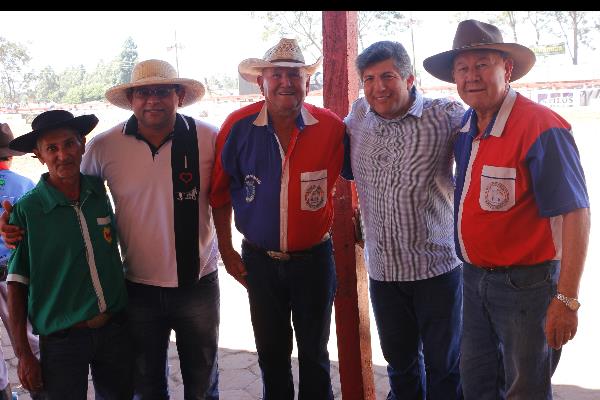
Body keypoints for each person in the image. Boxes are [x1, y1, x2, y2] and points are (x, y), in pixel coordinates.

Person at [1, 59, 220, 399]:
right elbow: (60, 185)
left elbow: (227, 195)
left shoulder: (208, 137)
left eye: (162, 91)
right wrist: (14, 224)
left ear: (178, 95)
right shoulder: (105, 146)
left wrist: (232, 251)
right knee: (147, 386)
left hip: (195, 285)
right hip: (136, 291)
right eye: (144, 93)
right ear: (131, 100)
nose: (153, 100)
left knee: (202, 381)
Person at [423, 19, 591, 399]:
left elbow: (576, 213)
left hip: (527, 287)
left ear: (507, 69)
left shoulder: (540, 127)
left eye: (482, 64)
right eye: (463, 69)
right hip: (473, 279)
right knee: (477, 381)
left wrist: (566, 299)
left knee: (525, 389)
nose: (472, 77)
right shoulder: (467, 126)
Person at [209, 38, 345, 400]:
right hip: (260, 262)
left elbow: (359, 173)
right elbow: (220, 195)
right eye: (278, 74)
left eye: (295, 75)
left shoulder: (330, 127)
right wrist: (226, 251)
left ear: (306, 81)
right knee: (271, 353)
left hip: (314, 261)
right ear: (262, 82)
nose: (287, 82)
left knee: (315, 354)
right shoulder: (238, 127)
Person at [342, 41, 464, 400]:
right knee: (401, 366)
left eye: (388, 76)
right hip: (384, 272)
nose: (378, 87)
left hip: (437, 269)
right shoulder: (358, 115)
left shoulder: (445, 116)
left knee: (445, 367)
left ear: (409, 78)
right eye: (369, 79)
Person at [6, 110, 132, 399]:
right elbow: (16, 284)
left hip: (114, 330)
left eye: (69, 144)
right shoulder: (29, 210)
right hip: (63, 340)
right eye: (52, 148)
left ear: (82, 144)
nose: (63, 154)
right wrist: (24, 355)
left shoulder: (99, 192)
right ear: (39, 155)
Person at [0, 123, 39, 400]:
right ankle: (41, 386)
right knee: (27, 338)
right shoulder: (25, 186)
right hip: (12, 275)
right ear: (10, 155)